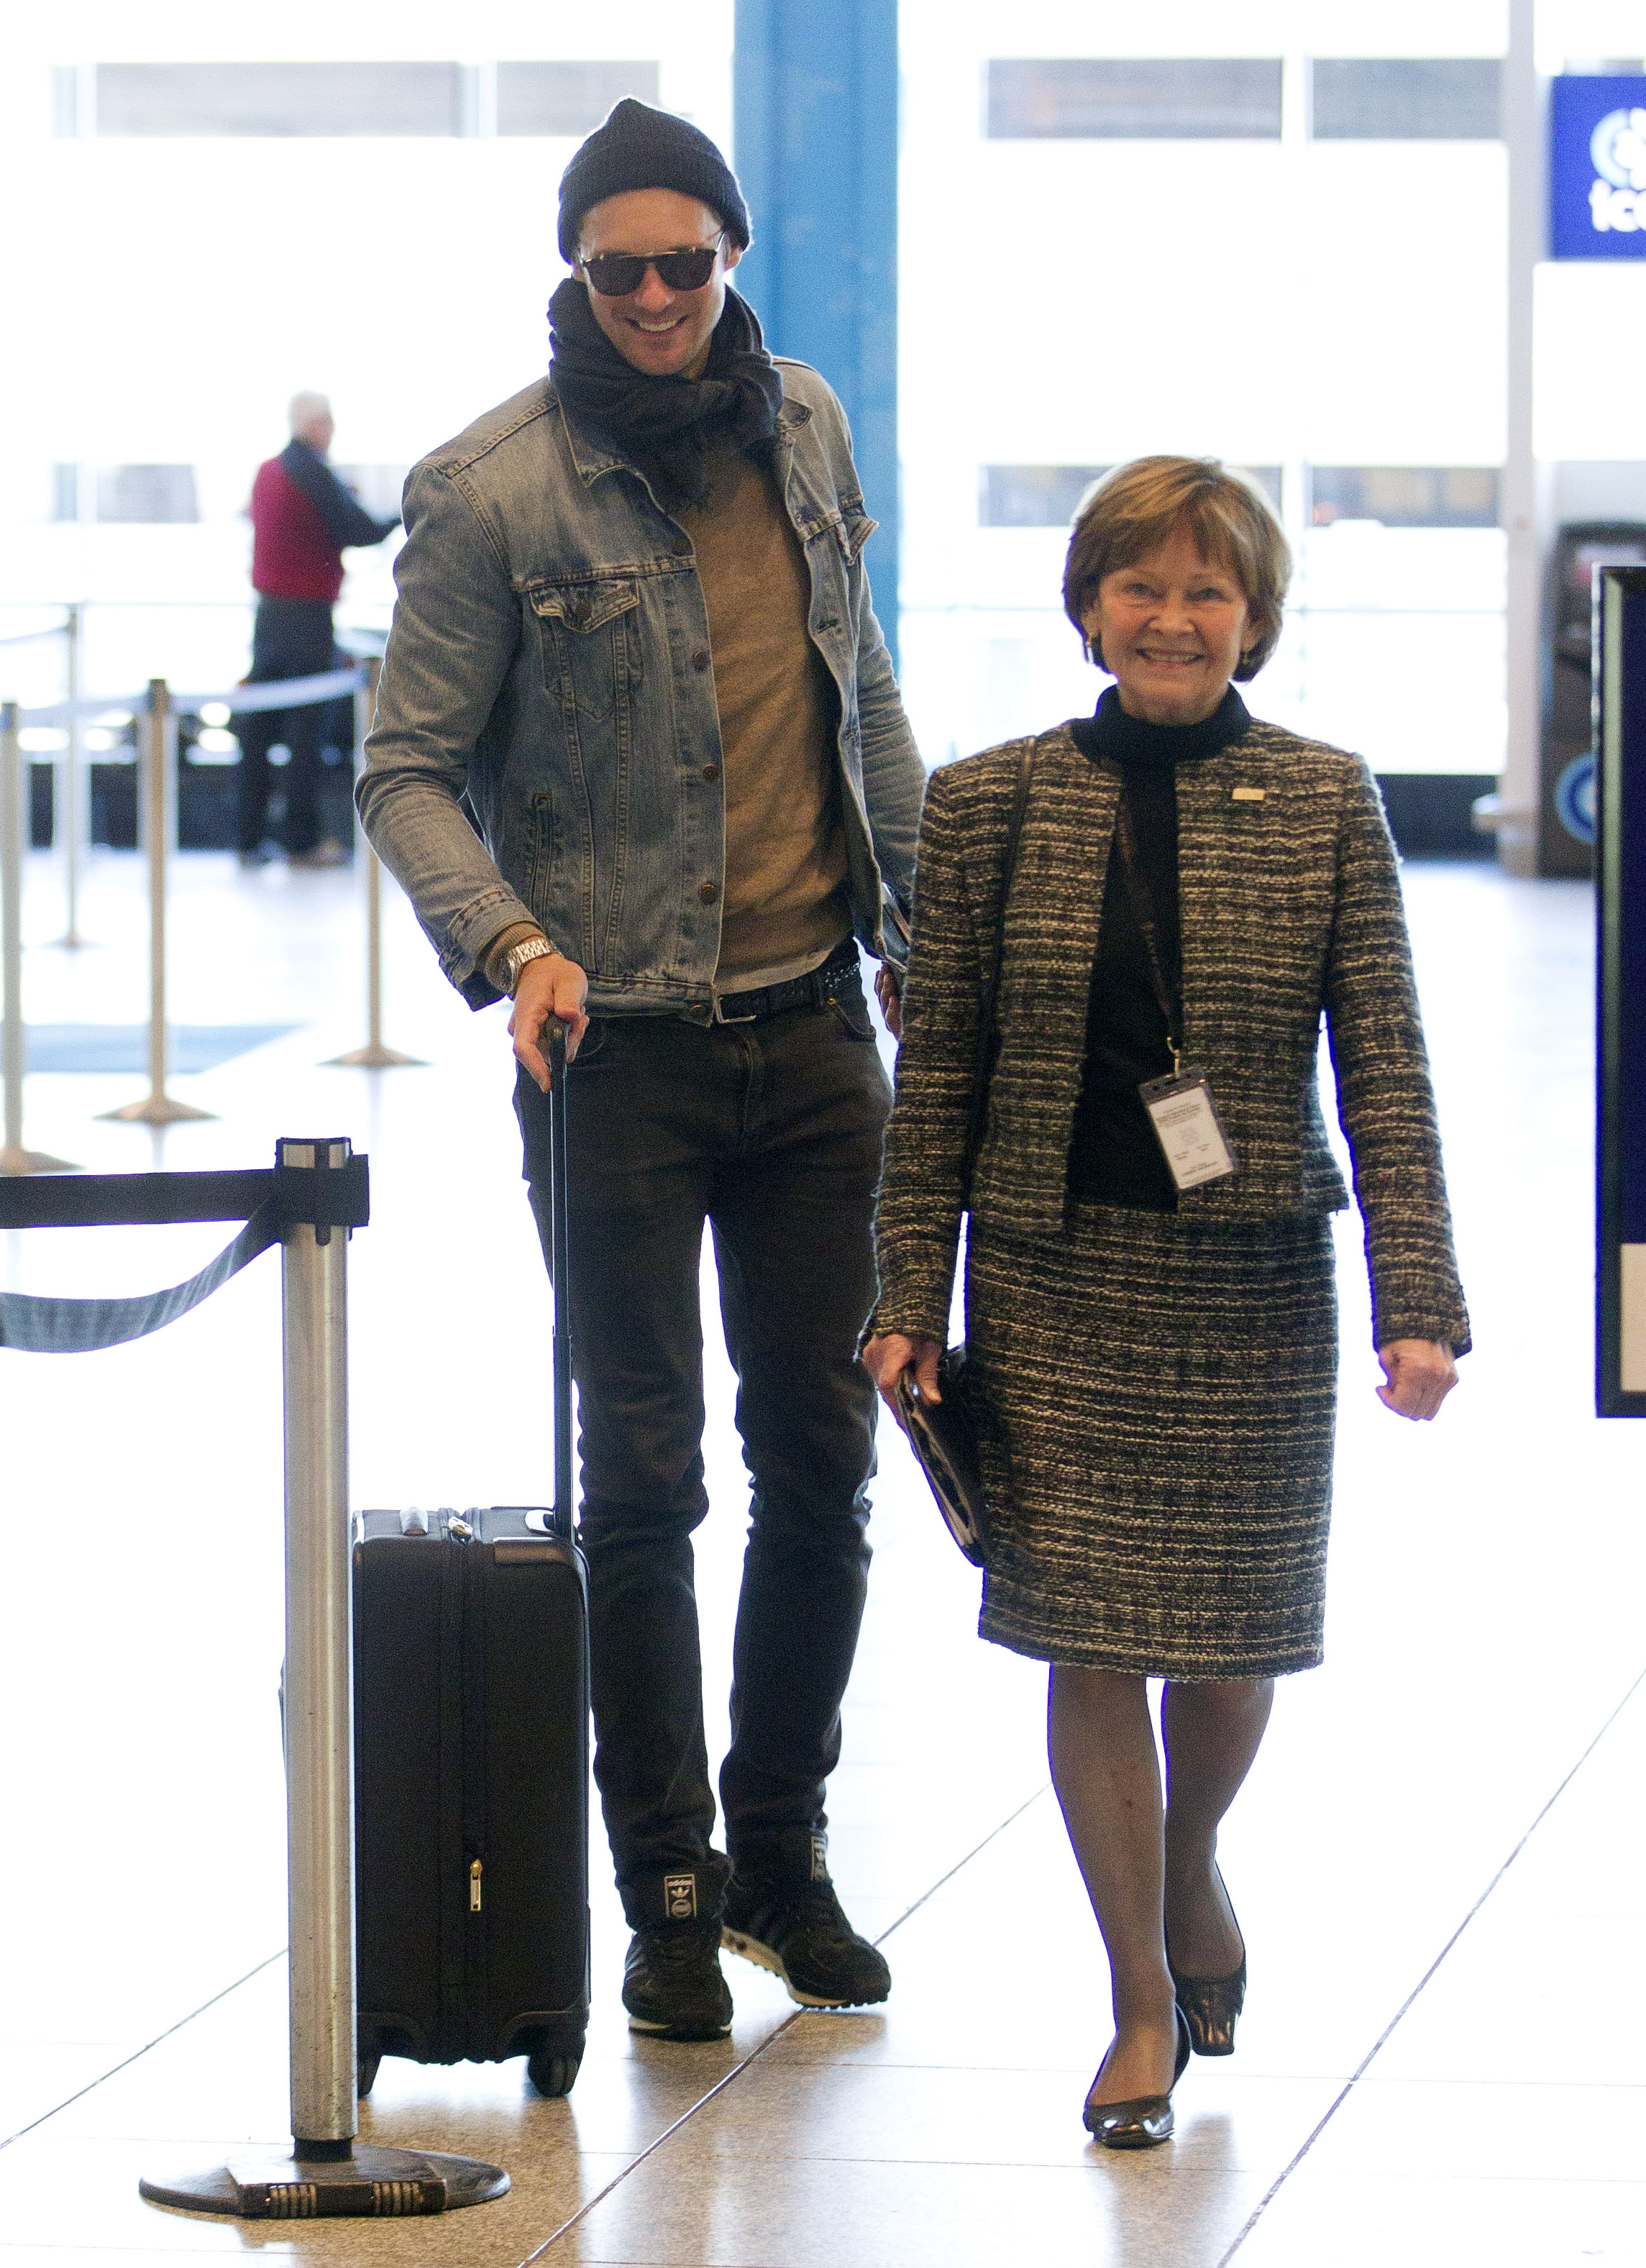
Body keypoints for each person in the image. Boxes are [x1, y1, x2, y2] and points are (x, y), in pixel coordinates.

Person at [357, 99, 924, 2041]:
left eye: (690, 265)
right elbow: (405, 766)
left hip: (816, 1030)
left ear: (731, 259)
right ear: (576, 272)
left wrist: (923, 931)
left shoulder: (807, 427)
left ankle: (783, 1853)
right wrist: (514, 943)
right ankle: (666, 1888)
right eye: (624, 272)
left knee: (826, 1457)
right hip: (616, 1052)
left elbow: (866, 692)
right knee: (646, 1479)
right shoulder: (491, 490)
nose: (662, 299)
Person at [864, 457, 1468, 2147]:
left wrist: (1418, 1297)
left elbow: (1386, 1067)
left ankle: (1188, 1854)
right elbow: (943, 1070)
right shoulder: (988, 802)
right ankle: (1137, 1991)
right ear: (1088, 608)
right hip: (1055, 1276)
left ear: (1252, 618)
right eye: (1140, 584)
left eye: (1208, 589)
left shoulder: (1327, 799)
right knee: (1089, 1636)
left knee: (1230, 1634)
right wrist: (907, 1288)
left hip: (1249, 1281)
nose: (1173, 617)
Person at [238, 391, 398, 866]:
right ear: (318, 425)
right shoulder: (311, 471)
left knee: (259, 728)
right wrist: (402, 514)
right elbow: (360, 530)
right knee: (305, 731)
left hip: (268, 615)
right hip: (306, 618)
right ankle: (301, 840)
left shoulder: (269, 471)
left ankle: (247, 836)